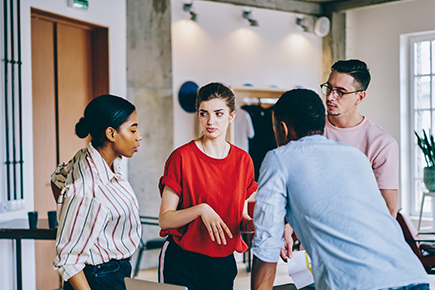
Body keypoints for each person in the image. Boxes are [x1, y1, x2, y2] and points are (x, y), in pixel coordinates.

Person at [251, 89, 429, 290]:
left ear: (282, 129)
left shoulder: (279, 158)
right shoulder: (354, 156)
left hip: (358, 284)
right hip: (412, 275)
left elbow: (266, 246)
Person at [158, 82, 258, 290]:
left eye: (218, 114)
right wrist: (201, 210)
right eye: (204, 113)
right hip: (182, 260)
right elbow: (165, 218)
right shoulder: (181, 157)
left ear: (231, 116)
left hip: (222, 262)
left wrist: (251, 225)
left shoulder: (243, 161)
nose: (210, 121)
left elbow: (238, 217)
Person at [51, 94, 143, 290]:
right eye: (133, 129)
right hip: (99, 278)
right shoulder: (89, 190)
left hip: (111, 272)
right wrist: (71, 215)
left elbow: (58, 178)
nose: (139, 136)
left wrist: (72, 218)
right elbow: (67, 260)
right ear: (111, 133)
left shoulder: (89, 158)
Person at [322, 59, 398, 217]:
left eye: (340, 92)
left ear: (360, 97)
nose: (330, 97)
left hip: (358, 237)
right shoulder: (309, 130)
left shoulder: (382, 143)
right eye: (329, 88)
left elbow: (389, 212)